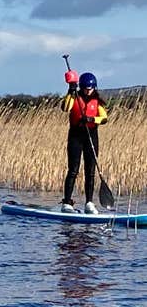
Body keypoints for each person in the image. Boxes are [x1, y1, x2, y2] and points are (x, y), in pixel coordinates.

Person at [60, 71, 108, 214]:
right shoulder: (74, 97)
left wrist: (92, 120)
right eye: (86, 88)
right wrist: (70, 90)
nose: (88, 91)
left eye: (91, 88)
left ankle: (89, 203)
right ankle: (67, 203)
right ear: (81, 87)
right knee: (73, 170)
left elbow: (104, 118)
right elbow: (65, 108)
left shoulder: (97, 101)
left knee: (90, 171)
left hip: (91, 136)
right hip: (76, 136)